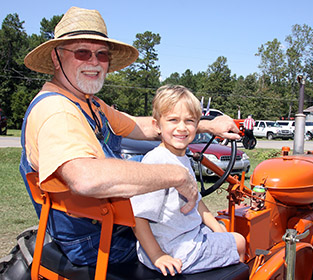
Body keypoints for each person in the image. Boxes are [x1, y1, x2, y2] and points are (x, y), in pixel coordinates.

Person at [20, 6, 240, 267]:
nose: (94, 62)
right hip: (98, 241)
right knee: (227, 243)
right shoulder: (57, 111)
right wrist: (177, 175)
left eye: (102, 55)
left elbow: (141, 126)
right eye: (82, 52)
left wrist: (206, 125)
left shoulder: (89, 105)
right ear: (57, 58)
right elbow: (85, 178)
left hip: (102, 227)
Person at [130, 85, 246, 276]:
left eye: (189, 121)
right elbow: (138, 217)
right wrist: (158, 255)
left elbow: (196, 200)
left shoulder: (181, 156)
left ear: (197, 125)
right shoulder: (158, 161)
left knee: (223, 229)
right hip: (175, 251)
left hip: (183, 238)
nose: (182, 127)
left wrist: (217, 228)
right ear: (157, 125)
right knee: (240, 241)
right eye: (173, 120)